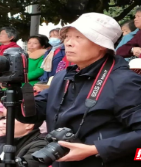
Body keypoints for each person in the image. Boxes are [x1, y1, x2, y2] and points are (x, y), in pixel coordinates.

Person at [15, 12, 141, 167]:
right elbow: (32, 113)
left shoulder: (124, 81)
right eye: (67, 37)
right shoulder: (63, 77)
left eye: (78, 37)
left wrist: (94, 149)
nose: (68, 43)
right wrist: (12, 91)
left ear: (101, 44)